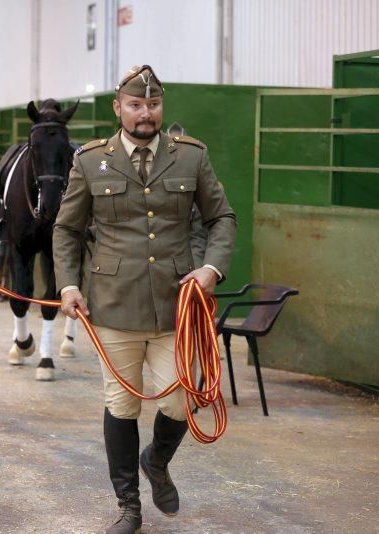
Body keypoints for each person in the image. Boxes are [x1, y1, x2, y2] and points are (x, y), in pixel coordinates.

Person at [53, 65, 236, 533]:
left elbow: (222, 218)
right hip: (112, 304)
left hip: (176, 305)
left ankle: (155, 460)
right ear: (119, 109)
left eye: (153, 105)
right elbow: (68, 229)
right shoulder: (91, 160)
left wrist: (211, 268)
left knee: (177, 403)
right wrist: (68, 285)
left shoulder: (191, 157)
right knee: (122, 404)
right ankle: (129, 506)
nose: (145, 113)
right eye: (136, 105)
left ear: (161, 108)